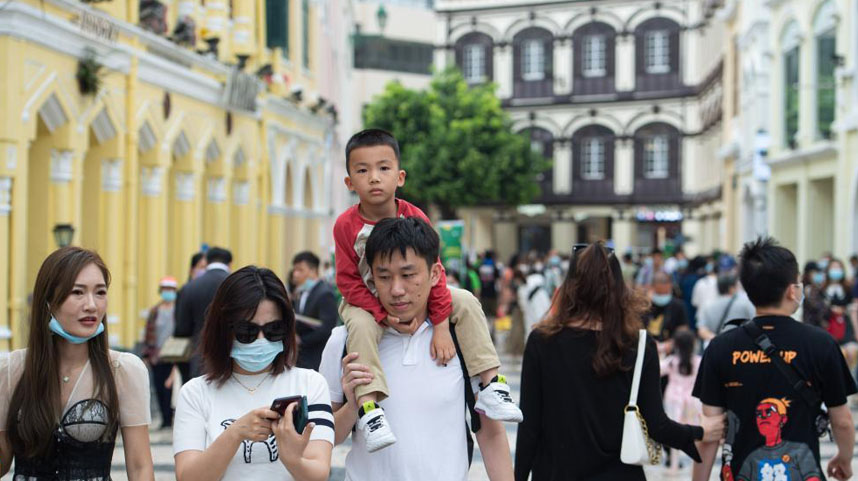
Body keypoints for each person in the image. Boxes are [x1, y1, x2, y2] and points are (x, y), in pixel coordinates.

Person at [332, 129, 521, 452]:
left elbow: (436, 273)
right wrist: (381, 314)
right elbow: (347, 281)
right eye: (362, 171)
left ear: (400, 176)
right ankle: (369, 408)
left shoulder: (414, 216)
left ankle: (491, 383)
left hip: (414, 300)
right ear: (350, 182)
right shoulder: (345, 225)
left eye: (383, 168)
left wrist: (442, 326)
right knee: (360, 327)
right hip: (363, 301)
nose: (374, 178)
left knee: (464, 299)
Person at [320, 217, 515, 480]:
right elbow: (323, 437)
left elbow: (489, 430)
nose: (397, 289)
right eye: (384, 277)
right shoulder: (345, 341)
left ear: (434, 274)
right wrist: (353, 405)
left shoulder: (459, 335)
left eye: (408, 275)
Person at [514, 243, 724, 481]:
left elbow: (529, 426)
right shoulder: (639, 344)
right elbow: (656, 425)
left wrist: (519, 476)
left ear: (569, 286)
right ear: (618, 286)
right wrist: (700, 432)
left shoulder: (542, 341)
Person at [692, 237, 857, 481]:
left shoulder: (720, 348)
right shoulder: (822, 344)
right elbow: (842, 421)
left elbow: (710, 432)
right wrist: (844, 458)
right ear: (792, 291)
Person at [0, 247, 154, 480]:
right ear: (48, 301)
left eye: (100, 292)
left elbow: (140, 466)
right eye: (77, 292)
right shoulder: (13, 368)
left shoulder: (123, 370)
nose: (91, 305)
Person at [173, 266, 334, 481]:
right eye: (246, 331)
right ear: (222, 330)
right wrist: (235, 433)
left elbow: (319, 474)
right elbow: (188, 477)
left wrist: (292, 458)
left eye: (273, 330)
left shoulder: (311, 384)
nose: (261, 340)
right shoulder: (194, 393)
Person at [174, 246, 233, 377]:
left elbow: (182, 329)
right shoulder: (236, 285)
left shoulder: (190, 287)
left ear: (207, 261)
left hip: (200, 356)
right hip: (232, 355)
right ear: (230, 263)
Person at [660, 329, 703, 474]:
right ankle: (698, 465)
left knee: (675, 432)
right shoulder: (698, 361)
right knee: (696, 433)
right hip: (692, 401)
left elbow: (658, 370)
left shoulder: (672, 361)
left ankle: (674, 465)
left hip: (674, 400)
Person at [291, 251, 338, 371]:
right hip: (302, 358)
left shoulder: (325, 293)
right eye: (294, 270)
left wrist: (301, 340)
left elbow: (327, 328)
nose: (295, 274)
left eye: (300, 270)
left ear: (313, 270)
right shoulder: (301, 292)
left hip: (317, 357)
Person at [143, 276, 180, 428]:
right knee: (159, 387)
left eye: (170, 290)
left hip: (174, 355)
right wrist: (146, 354)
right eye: (165, 289)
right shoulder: (155, 311)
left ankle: (172, 418)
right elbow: (148, 332)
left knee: (171, 388)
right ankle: (165, 420)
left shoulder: (178, 310)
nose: (168, 293)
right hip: (157, 356)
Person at [697, 273, 756, 345]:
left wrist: (720, 340)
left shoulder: (708, 306)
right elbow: (755, 322)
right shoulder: (745, 303)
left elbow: (702, 330)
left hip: (718, 347)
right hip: (741, 347)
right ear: (731, 288)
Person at [822, 259, 858, 372]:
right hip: (828, 327)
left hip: (845, 326)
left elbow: (853, 308)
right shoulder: (822, 289)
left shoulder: (848, 288)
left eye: (838, 268)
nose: (836, 271)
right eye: (833, 268)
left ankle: (848, 379)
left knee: (851, 351)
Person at [642, 271, 689, 354]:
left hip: (670, 351)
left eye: (665, 293)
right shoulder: (644, 305)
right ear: (652, 288)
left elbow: (683, 330)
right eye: (659, 293)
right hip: (646, 349)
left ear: (670, 286)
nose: (662, 296)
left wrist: (672, 343)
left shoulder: (678, 306)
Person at [517, 262, 551, 334]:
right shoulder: (535, 280)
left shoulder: (534, 280)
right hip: (535, 313)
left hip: (537, 311)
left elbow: (523, 307)